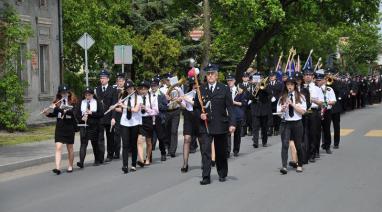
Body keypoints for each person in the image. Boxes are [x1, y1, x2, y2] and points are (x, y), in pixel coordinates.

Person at [194, 64, 236, 185]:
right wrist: (200, 115)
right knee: (206, 151)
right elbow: (196, 107)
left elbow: (230, 107)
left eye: (212, 74)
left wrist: (232, 123)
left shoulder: (224, 88)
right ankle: (206, 176)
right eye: (208, 74)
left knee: (220, 151)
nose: (210, 76)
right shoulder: (200, 89)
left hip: (220, 124)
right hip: (206, 125)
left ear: (217, 75)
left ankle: (222, 173)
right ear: (206, 76)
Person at [44, 85, 78, 175]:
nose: (64, 94)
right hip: (60, 127)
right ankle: (57, 168)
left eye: (66, 92)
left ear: (68, 92)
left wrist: (57, 108)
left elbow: (71, 112)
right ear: (59, 93)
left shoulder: (72, 102)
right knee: (58, 147)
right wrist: (47, 113)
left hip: (69, 127)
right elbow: (56, 114)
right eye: (62, 93)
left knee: (69, 147)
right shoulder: (57, 102)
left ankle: (70, 166)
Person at [277, 75, 307, 174]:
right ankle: (284, 166)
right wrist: (283, 108)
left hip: (297, 123)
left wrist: (292, 104)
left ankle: (300, 164)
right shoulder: (282, 97)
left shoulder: (301, 97)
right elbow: (278, 113)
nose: (289, 86)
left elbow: (303, 112)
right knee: (285, 144)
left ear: (295, 85)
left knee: (298, 144)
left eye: (291, 84)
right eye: (287, 84)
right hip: (286, 123)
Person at [76, 87, 104, 168]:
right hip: (84, 126)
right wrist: (81, 118)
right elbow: (76, 113)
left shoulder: (97, 102)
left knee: (94, 143)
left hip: (94, 126)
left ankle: (97, 159)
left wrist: (91, 113)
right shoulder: (81, 102)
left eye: (89, 95)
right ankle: (81, 162)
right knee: (83, 143)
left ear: (92, 95)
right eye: (86, 95)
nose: (87, 96)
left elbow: (101, 114)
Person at [118, 80, 142, 173]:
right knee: (125, 145)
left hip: (134, 123)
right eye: (127, 89)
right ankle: (125, 165)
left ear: (134, 88)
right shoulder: (123, 97)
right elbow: (120, 110)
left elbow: (135, 110)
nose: (129, 90)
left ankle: (133, 165)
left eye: (131, 88)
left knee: (133, 144)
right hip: (124, 123)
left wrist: (123, 106)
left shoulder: (138, 98)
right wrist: (114, 107)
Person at [95, 69, 118, 163]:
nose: (102, 80)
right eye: (101, 78)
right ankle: (100, 156)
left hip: (109, 117)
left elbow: (114, 104)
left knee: (110, 137)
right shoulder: (97, 90)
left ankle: (110, 154)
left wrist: (113, 117)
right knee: (100, 138)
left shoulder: (113, 90)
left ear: (108, 79)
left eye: (104, 78)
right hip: (100, 117)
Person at [303, 67, 324, 163]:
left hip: (313, 112)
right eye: (306, 75)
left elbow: (322, 103)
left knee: (313, 133)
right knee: (304, 134)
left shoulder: (317, 88)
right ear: (304, 77)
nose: (308, 76)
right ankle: (305, 154)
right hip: (303, 112)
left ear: (312, 77)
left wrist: (313, 99)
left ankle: (313, 153)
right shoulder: (300, 88)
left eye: (310, 75)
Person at [160, 73, 184, 157]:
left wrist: (180, 100)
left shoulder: (178, 89)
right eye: (166, 80)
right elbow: (160, 102)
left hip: (176, 111)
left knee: (174, 131)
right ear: (164, 81)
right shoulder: (162, 90)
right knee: (167, 131)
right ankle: (168, 146)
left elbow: (183, 99)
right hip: (167, 111)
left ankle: (172, 151)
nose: (168, 81)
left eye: (169, 80)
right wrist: (165, 99)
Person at [137, 80, 158, 166]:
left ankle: (148, 158)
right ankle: (141, 159)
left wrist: (146, 108)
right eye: (141, 89)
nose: (143, 91)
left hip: (148, 120)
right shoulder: (137, 98)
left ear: (147, 89)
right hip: (139, 120)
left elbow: (156, 112)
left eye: (144, 89)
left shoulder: (152, 97)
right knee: (139, 140)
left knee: (149, 141)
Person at [316, 69, 336, 154]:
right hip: (317, 111)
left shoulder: (329, 89)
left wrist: (325, 103)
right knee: (316, 131)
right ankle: (316, 149)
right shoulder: (315, 89)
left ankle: (327, 146)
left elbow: (333, 101)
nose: (319, 81)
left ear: (324, 80)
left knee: (326, 130)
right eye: (317, 80)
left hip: (326, 111)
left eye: (320, 80)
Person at [180, 77, 198, 172]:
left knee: (202, 140)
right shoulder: (187, 94)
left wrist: (188, 100)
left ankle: (205, 161)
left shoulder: (201, 93)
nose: (195, 86)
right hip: (188, 117)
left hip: (198, 118)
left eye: (196, 83)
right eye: (193, 84)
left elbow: (198, 104)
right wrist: (180, 101)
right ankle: (185, 163)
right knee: (187, 139)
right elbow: (184, 106)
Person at [226, 73, 247, 157]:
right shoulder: (225, 89)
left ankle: (236, 150)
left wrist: (234, 102)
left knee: (237, 133)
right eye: (228, 80)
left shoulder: (239, 90)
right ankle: (227, 151)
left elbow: (243, 103)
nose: (229, 82)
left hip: (238, 114)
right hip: (228, 114)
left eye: (231, 80)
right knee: (227, 133)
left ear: (234, 81)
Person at [250, 73, 272, 148]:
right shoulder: (251, 86)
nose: (258, 79)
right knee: (255, 127)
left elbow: (270, 93)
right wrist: (254, 86)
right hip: (255, 108)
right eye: (256, 78)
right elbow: (249, 96)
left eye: (260, 78)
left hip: (264, 109)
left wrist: (263, 86)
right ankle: (255, 142)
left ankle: (264, 141)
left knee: (264, 127)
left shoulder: (266, 85)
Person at [150, 76, 168, 161]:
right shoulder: (148, 95)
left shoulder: (161, 95)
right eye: (152, 85)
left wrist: (158, 106)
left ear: (157, 86)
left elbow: (166, 107)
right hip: (150, 119)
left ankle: (163, 153)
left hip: (159, 118)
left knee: (161, 138)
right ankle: (149, 156)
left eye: (155, 85)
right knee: (149, 139)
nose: (153, 87)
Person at [110, 73, 126, 159]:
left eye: (121, 81)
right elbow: (112, 104)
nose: (119, 82)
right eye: (118, 81)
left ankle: (127, 150)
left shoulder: (127, 91)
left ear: (124, 81)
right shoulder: (114, 91)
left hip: (125, 114)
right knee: (117, 134)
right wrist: (113, 116)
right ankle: (117, 152)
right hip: (116, 114)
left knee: (126, 134)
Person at [268, 71, 283, 136]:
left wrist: (276, 97)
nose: (272, 77)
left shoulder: (279, 83)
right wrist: (270, 97)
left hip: (277, 102)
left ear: (275, 76)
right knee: (269, 116)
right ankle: (270, 129)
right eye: (270, 76)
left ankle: (276, 129)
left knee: (277, 116)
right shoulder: (267, 84)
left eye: (273, 76)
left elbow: (281, 92)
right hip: (269, 102)